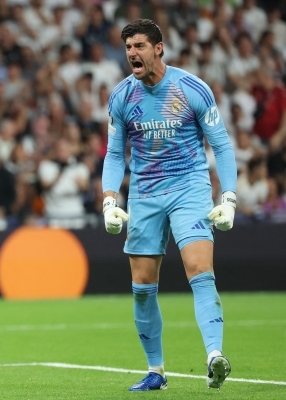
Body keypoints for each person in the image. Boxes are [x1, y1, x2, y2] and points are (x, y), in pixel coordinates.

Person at [101, 20, 237, 391]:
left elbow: (222, 146)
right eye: (128, 47)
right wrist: (109, 199)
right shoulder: (121, 97)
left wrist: (228, 197)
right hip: (144, 194)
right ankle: (156, 371)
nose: (132, 53)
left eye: (140, 45)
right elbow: (115, 154)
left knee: (199, 269)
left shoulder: (191, 88)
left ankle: (214, 356)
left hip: (189, 188)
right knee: (143, 284)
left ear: (159, 48)